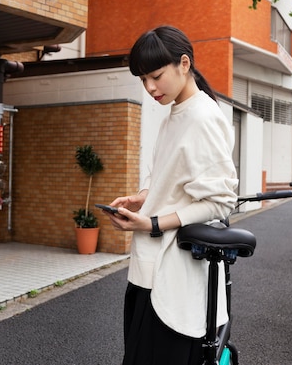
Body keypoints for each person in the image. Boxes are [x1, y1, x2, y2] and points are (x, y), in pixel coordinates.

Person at [103, 25, 238, 365]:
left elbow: (221, 200)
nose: (150, 87)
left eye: (155, 76)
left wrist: (153, 222)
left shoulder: (203, 117)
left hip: (175, 279)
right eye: (142, 79)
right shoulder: (174, 115)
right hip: (150, 272)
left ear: (184, 64)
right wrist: (144, 196)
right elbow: (171, 178)